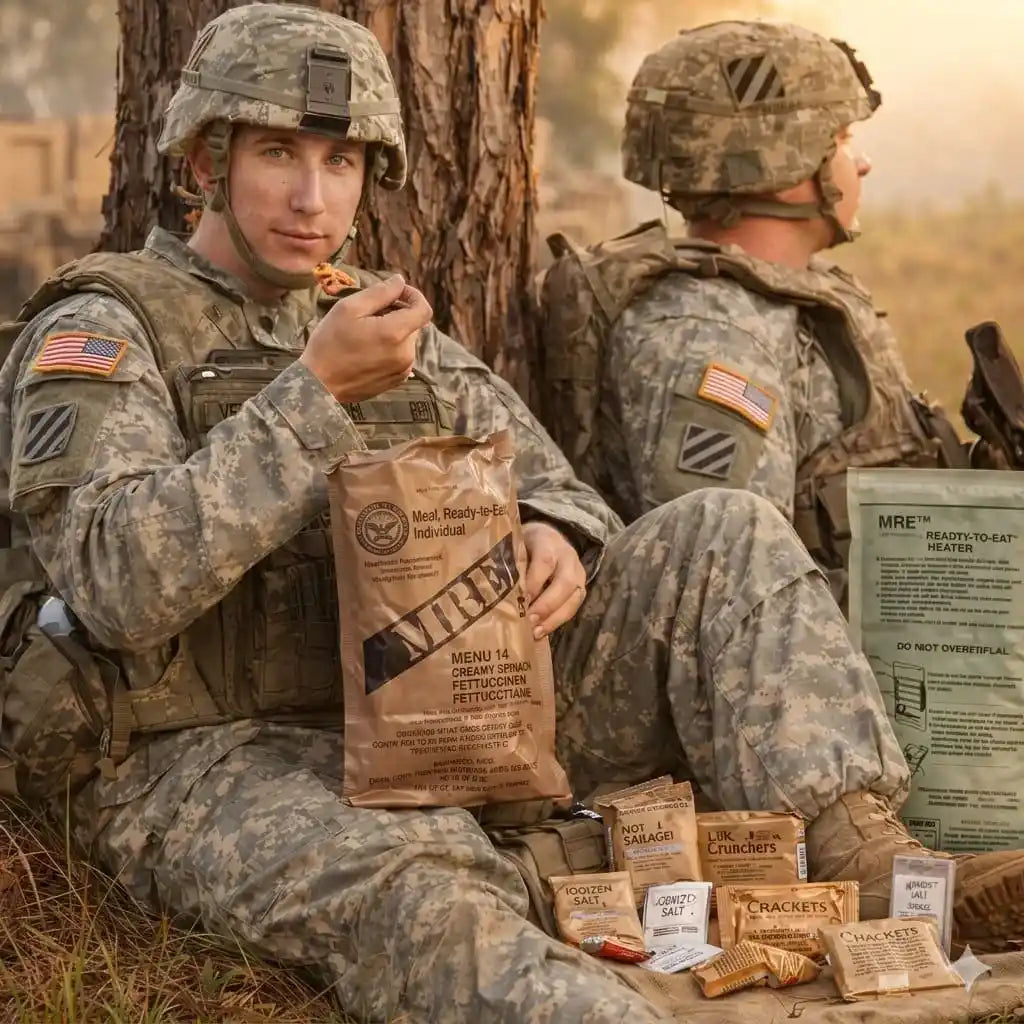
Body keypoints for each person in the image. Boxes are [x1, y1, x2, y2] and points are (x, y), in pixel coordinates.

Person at [0, 7, 1021, 1022]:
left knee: (723, 529)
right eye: (278, 153)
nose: (314, 197)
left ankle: (876, 864)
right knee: (429, 900)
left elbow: (562, 487)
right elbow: (114, 584)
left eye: (343, 162)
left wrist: (558, 538)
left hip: (449, 715)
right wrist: (312, 396)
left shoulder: (382, 322)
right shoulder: (106, 329)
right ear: (202, 159)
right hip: (215, 757)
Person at [538, 20, 983, 605]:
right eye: (844, 138)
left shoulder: (791, 297)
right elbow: (731, 594)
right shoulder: (712, 338)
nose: (863, 163)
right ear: (788, 162)